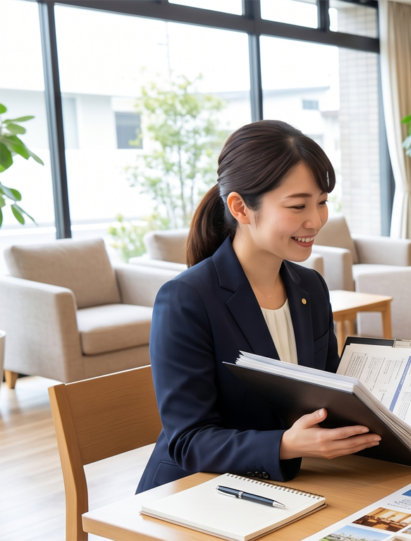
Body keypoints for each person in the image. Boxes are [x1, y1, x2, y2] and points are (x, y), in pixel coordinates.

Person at [137, 120, 380, 493]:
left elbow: (327, 394)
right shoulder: (186, 299)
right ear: (240, 207)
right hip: (198, 490)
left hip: (293, 483)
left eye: (322, 202)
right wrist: (285, 445)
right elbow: (188, 440)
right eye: (297, 205)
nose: (315, 221)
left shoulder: (310, 287)